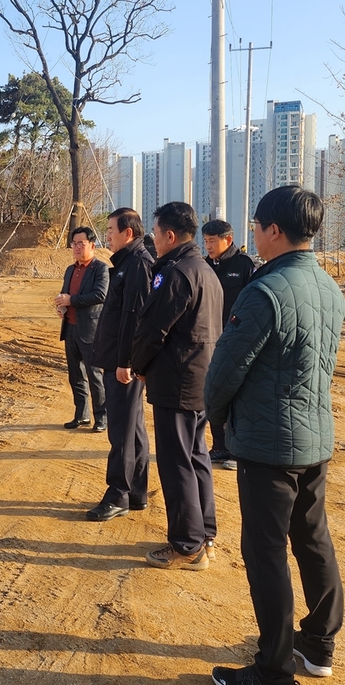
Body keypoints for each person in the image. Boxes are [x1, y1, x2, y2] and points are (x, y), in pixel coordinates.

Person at [206, 186, 345, 685]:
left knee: (265, 553)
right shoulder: (329, 288)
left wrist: (214, 417)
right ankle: (319, 642)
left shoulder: (264, 292)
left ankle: (273, 675)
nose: (254, 236)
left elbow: (227, 368)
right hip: (315, 437)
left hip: (269, 443)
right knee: (312, 538)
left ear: (274, 231)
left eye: (257, 226)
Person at [130, 201, 224, 568]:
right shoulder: (205, 270)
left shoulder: (176, 273)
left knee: (176, 463)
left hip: (177, 380)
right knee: (197, 456)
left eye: (154, 233)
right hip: (201, 379)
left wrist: (139, 366)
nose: (153, 239)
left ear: (170, 235)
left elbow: (154, 330)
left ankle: (187, 545)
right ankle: (205, 533)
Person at [85, 208, 154, 521]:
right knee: (133, 429)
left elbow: (135, 319)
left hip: (123, 365)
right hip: (119, 360)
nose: (107, 235)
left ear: (128, 233)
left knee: (122, 432)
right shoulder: (126, 264)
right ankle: (136, 492)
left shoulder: (138, 265)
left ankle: (118, 494)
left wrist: (126, 362)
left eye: (111, 229)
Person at [201, 219, 257, 471]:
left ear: (228, 240)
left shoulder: (243, 266)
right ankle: (219, 446)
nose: (208, 246)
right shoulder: (203, 265)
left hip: (234, 340)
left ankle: (236, 450)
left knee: (236, 394)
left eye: (213, 241)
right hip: (209, 339)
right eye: (205, 241)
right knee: (214, 391)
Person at [55, 227, 109, 432]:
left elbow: (100, 295)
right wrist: (62, 305)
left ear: (92, 245)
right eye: (74, 243)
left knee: (94, 375)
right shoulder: (70, 269)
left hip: (91, 330)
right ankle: (82, 415)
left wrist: (72, 300)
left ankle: (101, 418)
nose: (76, 247)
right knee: (75, 375)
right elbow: (65, 293)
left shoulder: (100, 269)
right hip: (70, 328)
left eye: (81, 243)